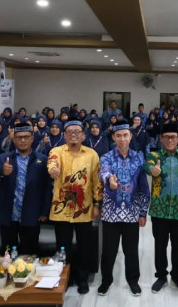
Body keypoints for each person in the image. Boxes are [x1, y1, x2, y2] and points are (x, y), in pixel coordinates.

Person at [47, 120, 102, 295]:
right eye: (69, 131)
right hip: (61, 209)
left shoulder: (92, 155)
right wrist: (52, 170)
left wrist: (97, 204)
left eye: (77, 131)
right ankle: (66, 278)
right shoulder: (56, 151)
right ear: (64, 135)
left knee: (84, 246)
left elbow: (96, 181)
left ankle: (82, 278)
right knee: (63, 247)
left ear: (83, 135)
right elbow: (52, 163)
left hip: (84, 209)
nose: (73, 134)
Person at [97, 120, 150, 297]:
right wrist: (109, 180)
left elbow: (143, 187)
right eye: (118, 135)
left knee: (131, 250)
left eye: (125, 135)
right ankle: (106, 281)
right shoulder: (106, 157)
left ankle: (133, 281)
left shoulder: (139, 158)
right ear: (113, 137)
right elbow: (103, 172)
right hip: (110, 213)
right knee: (108, 251)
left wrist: (143, 212)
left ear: (130, 136)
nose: (122, 139)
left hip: (132, 213)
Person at [144, 122, 178, 294]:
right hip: (159, 210)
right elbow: (147, 166)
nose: (170, 140)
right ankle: (161, 276)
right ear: (161, 138)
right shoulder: (154, 155)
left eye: (173, 137)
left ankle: (177, 276)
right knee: (160, 245)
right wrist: (153, 170)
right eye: (166, 137)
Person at [0, 123, 51, 254]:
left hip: (32, 214)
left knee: (30, 255)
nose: (23, 140)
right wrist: (2, 171)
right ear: (14, 139)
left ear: (32, 138)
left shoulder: (42, 160)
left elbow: (46, 188)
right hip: (8, 215)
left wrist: (45, 211)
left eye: (26, 137)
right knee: (7, 255)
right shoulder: (4, 158)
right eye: (19, 137)